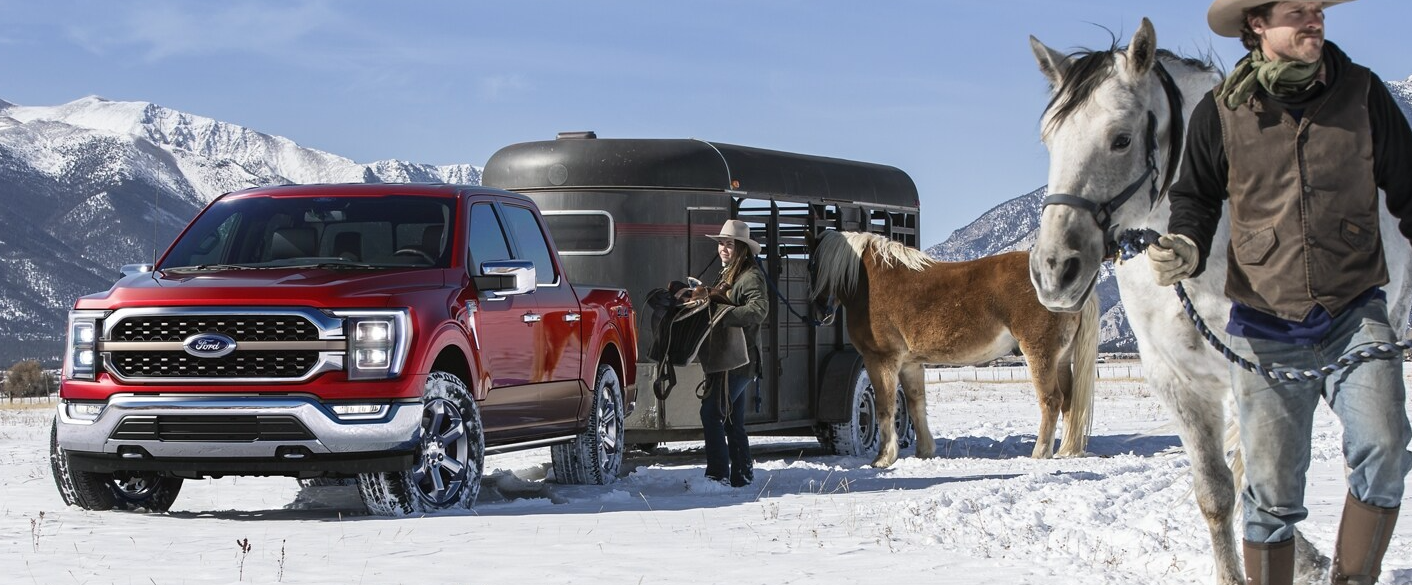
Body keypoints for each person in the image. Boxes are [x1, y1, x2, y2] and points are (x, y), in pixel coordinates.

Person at [1150, 1, 1412, 583]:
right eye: (1297, 11)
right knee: (1270, 492)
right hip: (1265, 323)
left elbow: (1408, 186)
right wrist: (1187, 246)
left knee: (1387, 448)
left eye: (1317, 9)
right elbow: (1195, 198)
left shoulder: (1365, 95)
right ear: (1258, 25)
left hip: (1354, 311)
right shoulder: (1221, 112)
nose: (1314, 19)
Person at [696, 219, 768, 487]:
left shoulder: (750, 276)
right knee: (731, 420)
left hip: (740, 359)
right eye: (721, 244)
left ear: (741, 248)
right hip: (730, 358)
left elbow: (759, 310)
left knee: (711, 412)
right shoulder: (730, 274)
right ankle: (742, 474)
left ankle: (717, 475)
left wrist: (722, 316)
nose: (723, 249)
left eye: (729, 244)